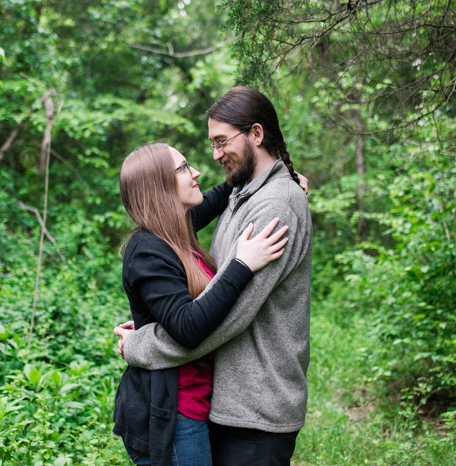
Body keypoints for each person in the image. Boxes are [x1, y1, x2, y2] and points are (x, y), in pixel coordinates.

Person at [115, 86, 313, 466]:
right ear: (161, 187)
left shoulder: (269, 204)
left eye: (222, 142)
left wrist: (143, 345)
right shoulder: (159, 239)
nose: (209, 161)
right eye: (186, 166)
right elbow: (196, 321)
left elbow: (226, 317)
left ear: (256, 134)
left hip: (253, 409)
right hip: (200, 407)